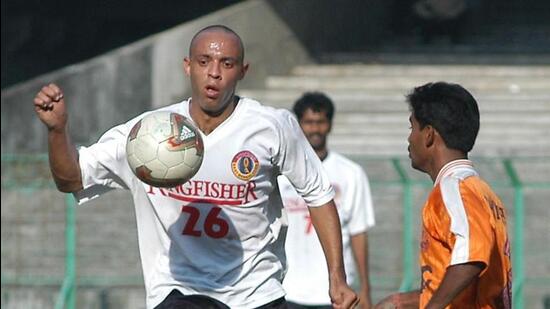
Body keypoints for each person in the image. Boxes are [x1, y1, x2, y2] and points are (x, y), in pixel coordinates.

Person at [33, 25, 358, 309]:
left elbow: (318, 195)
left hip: (255, 293)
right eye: (204, 62)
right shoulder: (148, 135)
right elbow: (71, 179)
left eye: (226, 63)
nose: (214, 72)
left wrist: (337, 278)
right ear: (188, 67)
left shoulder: (272, 127)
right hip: (179, 291)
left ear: (243, 70)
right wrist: (57, 131)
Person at [375, 82, 512, 309]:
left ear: (428, 134)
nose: (409, 139)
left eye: (412, 128)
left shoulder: (454, 189)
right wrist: (399, 302)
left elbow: (471, 256)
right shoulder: (484, 193)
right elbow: (465, 288)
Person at [278, 92, 376, 309]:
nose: (315, 129)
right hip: (287, 289)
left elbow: (358, 232)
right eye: (308, 122)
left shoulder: (351, 173)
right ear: (298, 125)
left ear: (329, 125)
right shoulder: (281, 173)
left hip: (333, 294)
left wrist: (366, 288)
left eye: (320, 122)